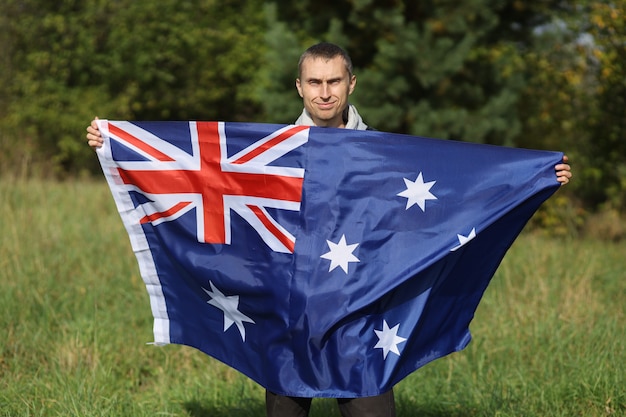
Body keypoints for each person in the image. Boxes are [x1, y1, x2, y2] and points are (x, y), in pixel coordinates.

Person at [86, 42, 572, 417]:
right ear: (299, 86)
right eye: (314, 81)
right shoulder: (268, 158)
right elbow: (191, 171)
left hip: (362, 317)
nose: (324, 92)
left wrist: (536, 177)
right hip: (287, 318)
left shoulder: (386, 158)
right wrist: (115, 145)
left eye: (334, 81)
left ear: (351, 84)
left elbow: (460, 186)